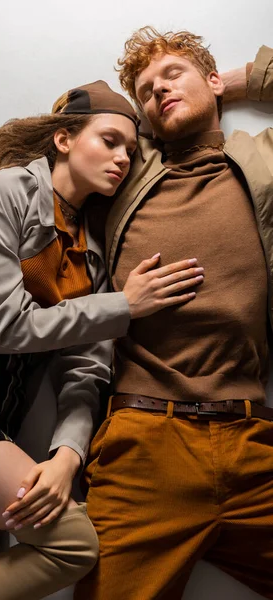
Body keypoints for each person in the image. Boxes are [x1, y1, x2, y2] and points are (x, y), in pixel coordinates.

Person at [0, 80, 203, 600]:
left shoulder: (93, 255)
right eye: (110, 140)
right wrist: (126, 305)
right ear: (65, 140)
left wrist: (68, 453)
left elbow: (85, 373)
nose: (121, 158)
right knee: (72, 544)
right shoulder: (7, 191)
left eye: (131, 151)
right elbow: (6, 329)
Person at [72, 30, 273, 600]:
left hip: (255, 439)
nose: (159, 90)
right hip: (144, 445)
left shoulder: (262, 157)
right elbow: (21, 168)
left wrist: (229, 83)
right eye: (146, 90)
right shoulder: (122, 171)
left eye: (173, 75)